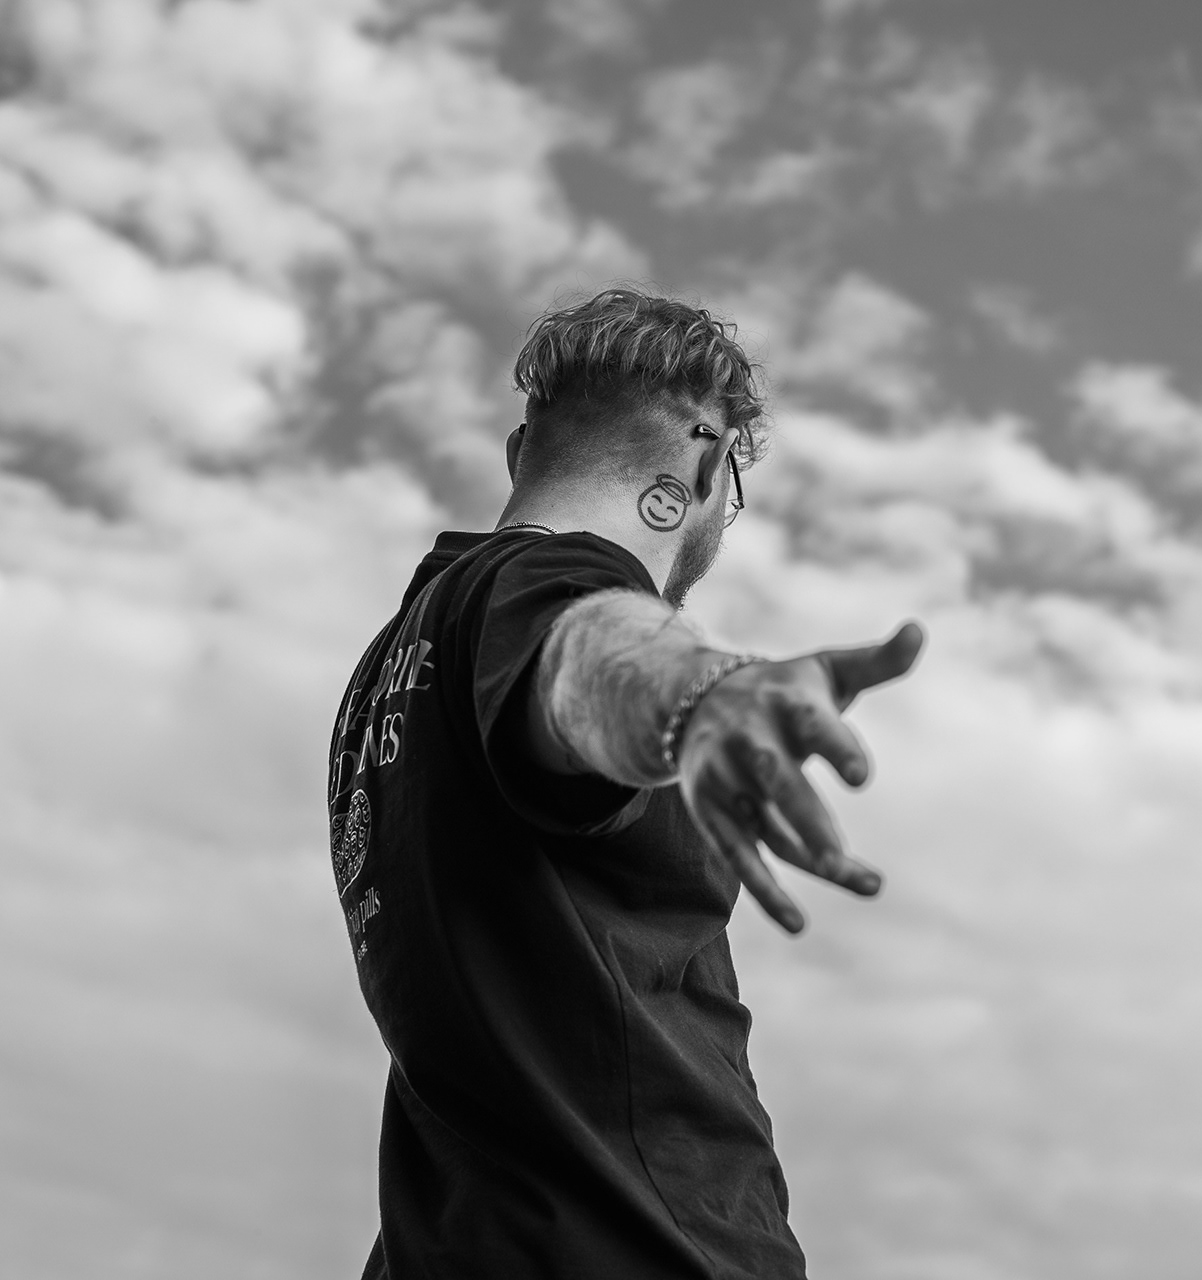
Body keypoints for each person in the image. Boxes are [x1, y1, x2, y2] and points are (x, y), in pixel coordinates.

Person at [327, 287, 923, 1279]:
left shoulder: (398, 662)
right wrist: (701, 695)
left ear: (519, 454)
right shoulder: (549, 584)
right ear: (707, 471)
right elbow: (593, 649)